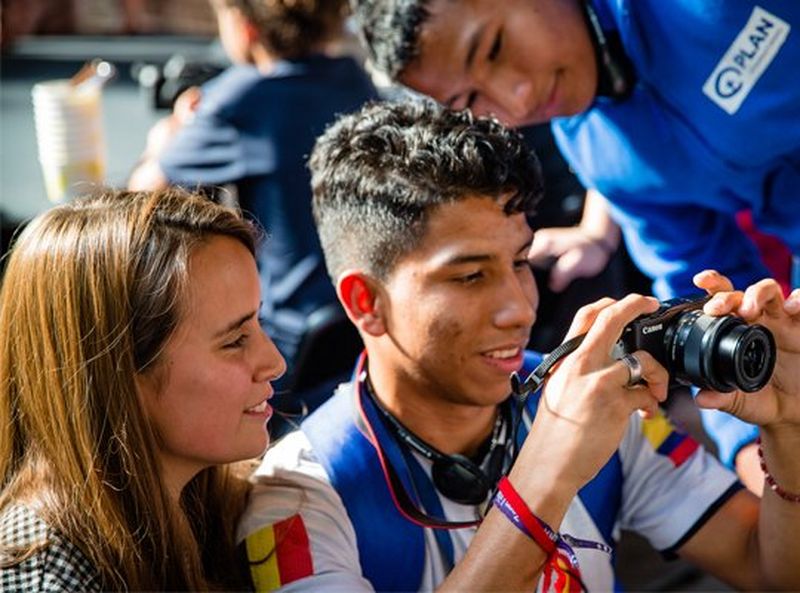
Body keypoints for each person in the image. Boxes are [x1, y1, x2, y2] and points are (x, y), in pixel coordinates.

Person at [237, 100, 800, 592]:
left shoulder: (597, 403)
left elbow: (772, 570)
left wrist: (788, 427)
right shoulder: (293, 495)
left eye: (521, 262)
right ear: (365, 302)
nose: (519, 309)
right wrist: (548, 470)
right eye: (469, 276)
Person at [347, 0, 800, 490]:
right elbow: (703, 282)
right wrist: (751, 448)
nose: (517, 101)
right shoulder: (598, 151)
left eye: (495, 47)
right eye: (470, 98)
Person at [0, 189, 286, 590]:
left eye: (258, 324)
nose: (275, 362)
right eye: (235, 340)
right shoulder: (46, 576)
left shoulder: (224, 506)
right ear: (115, 374)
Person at [129, 0, 377, 367]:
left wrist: (166, 138)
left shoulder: (241, 100)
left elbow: (141, 198)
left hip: (289, 335)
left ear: (245, 27)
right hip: (359, 318)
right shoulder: (356, 81)